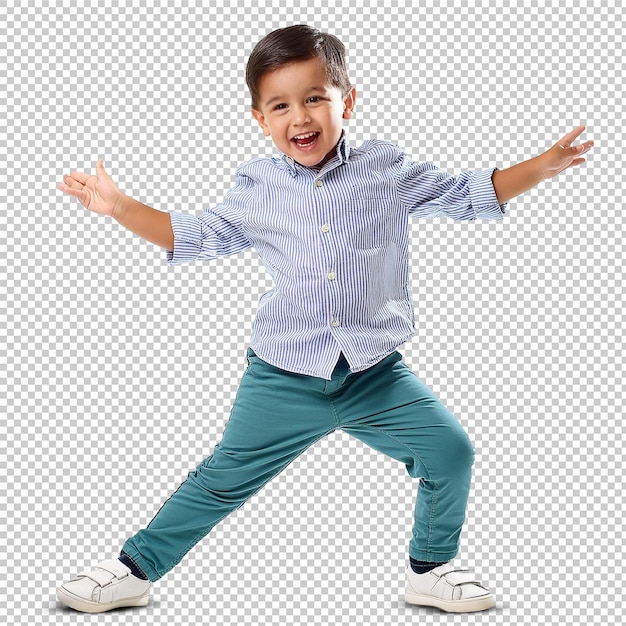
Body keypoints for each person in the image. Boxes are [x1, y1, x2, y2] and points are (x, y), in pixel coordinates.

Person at [56, 24, 593, 614]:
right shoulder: (257, 188)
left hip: (373, 373)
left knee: (450, 451)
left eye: (315, 98)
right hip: (283, 374)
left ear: (347, 101)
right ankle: (133, 568)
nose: (300, 117)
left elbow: (467, 192)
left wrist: (539, 168)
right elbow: (196, 234)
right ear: (260, 119)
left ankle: (431, 569)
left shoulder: (385, 172)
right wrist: (119, 206)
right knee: (222, 477)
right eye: (280, 105)